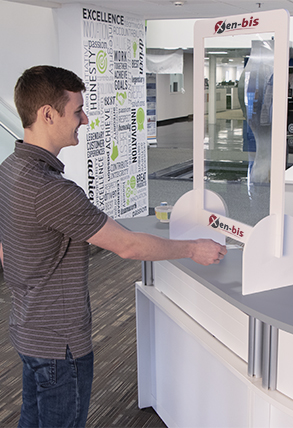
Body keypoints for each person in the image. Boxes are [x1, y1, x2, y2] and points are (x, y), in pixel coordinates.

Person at [0, 65, 227, 428]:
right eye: (77, 110)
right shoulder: (50, 190)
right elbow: (128, 246)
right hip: (60, 345)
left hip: (27, 330)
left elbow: (6, 248)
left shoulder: (10, 169)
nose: (85, 119)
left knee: (32, 418)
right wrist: (193, 248)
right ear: (47, 114)